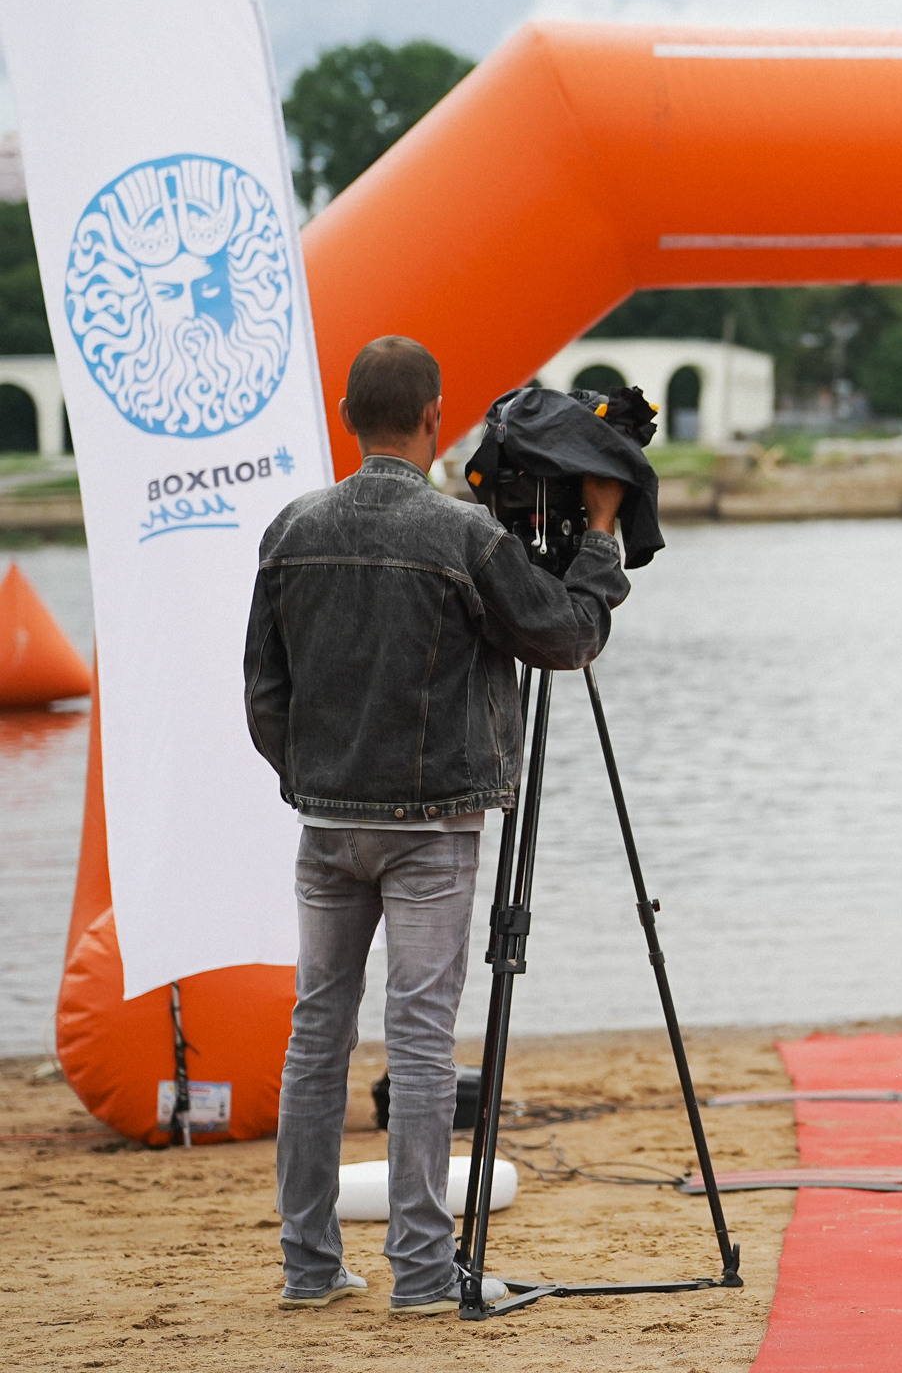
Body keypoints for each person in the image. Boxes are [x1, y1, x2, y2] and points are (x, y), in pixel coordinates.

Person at [243, 336, 629, 1317]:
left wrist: (312, 777)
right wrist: (599, 538)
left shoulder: (290, 530)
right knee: (418, 1042)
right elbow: (565, 637)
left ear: (346, 416)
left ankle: (308, 1265)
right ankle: (421, 1272)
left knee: (315, 1033)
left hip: (325, 823)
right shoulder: (464, 536)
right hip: (433, 824)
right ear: (432, 419)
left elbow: (264, 692)